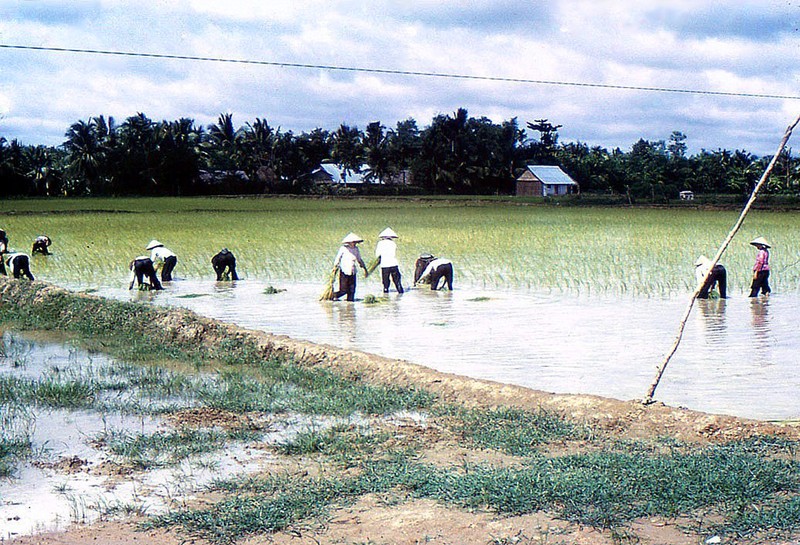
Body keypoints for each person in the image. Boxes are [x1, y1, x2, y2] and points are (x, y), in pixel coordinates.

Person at [332, 232, 367, 301]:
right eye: (353, 242)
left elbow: (359, 259)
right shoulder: (343, 248)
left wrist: (364, 268)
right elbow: (337, 258)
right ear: (349, 242)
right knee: (343, 290)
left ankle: (350, 306)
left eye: (355, 242)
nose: (354, 243)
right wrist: (335, 267)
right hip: (344, 271)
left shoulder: (356, 249)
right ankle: (332, 296)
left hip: (353, 271)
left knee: (352, 291)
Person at [375, 227, 404, 294]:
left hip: (385, 264)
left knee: (385, 281)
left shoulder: (380, 243)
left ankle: (385, 293)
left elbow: (377, 254)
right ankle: (400, 291)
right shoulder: (393, 243)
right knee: (397, 280)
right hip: (394, 263)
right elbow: (394, 253)